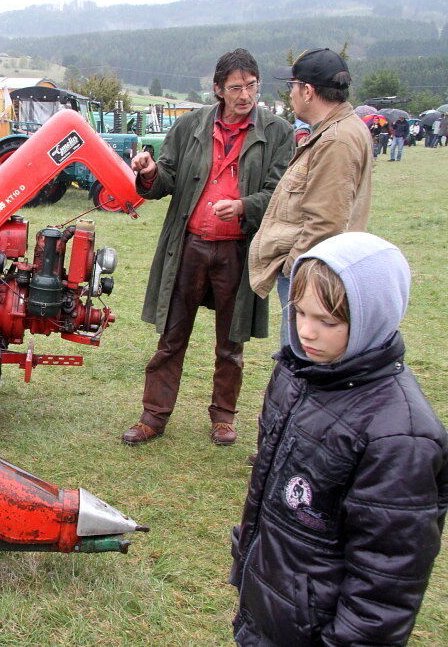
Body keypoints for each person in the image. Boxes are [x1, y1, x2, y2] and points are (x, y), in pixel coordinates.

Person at [230, 232, 447, 645]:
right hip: (272, 604)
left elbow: (385, 581)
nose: (307, 332)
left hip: (320, 627)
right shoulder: (296, 375)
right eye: (300, 313)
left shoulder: (402, 437)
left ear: (374, 316)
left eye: (328, 321)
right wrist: (248, 561)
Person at [123, 49, 294, 446]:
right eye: (236, 87)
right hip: (188, 247)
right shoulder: (189, 126)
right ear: (218, 89)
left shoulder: (278, 131)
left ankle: (224, 417)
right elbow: (165, 178)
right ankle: (153, 416)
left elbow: (279, 193)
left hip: (237, 249)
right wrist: (149, 172)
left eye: (251, 86)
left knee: (231, 342)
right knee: (171, 336)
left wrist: (243, 207)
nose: (245, 96)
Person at [249, 48, 372, 347]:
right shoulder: (335, 131)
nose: (290, 94)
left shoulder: (336, 140)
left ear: (308, 91)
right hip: (311, 272)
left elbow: (326, 222)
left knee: (300, 361)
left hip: (310, 277)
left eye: (292, 86)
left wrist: (295, 270)